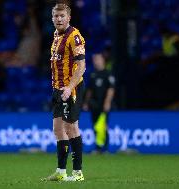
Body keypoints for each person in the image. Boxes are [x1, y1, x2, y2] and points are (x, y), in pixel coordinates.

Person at [42, 3, 86, 182]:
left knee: (71, 127)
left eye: (62, 16)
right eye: (55, 16)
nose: (58, 19)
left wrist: (69, 87)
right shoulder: (55, 35)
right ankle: (61, 171)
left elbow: (81, 66)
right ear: (52, 18)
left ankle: (77, 173)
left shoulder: (74, 36)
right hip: (58, 89)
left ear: (69, 18)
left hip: (71, 89)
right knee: (58, 129)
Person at [83, 53, 115, 153]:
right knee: (95, 126)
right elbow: (89, 90)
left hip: (103, 104)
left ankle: (104, 148)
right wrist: (86, 102)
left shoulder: (108, 74)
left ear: (103, 60)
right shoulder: (93, 74)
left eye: (98, 59)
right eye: (94, 60)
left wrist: (107, 102)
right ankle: (98, 147)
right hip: (94, 104)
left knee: (102, 126)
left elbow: (111, 89)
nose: (96, 62)